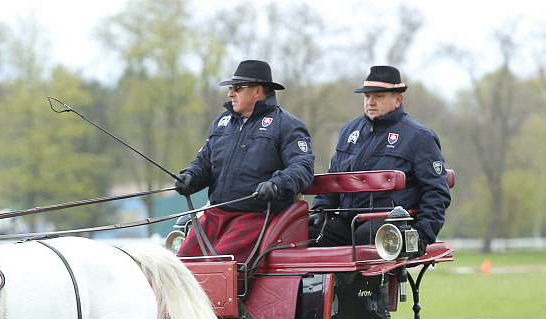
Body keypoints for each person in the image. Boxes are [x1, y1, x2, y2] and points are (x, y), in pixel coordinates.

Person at [174, 59, 314, 265]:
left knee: (218, 269)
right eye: (231, 88)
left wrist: (276, 184)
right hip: (215, 215)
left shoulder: (287, 125)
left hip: (255, 217)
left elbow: (302, 167)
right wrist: (190, 177)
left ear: (257, 91)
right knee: (179, 267)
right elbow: (204, 163)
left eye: (237, 88)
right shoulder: (221, 124)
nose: (230, 93)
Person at [311, 65, 451, 253]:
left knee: (367, 236)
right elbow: (333, 181)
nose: (371, 102)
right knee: (302, 232)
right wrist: (320, 212)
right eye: (367, 96)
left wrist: (421, 237)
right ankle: (306, 283)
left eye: (379, 96)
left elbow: (436, 193)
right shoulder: (349, 131)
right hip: (348, 221)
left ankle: (354, 283)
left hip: (390, 224)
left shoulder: (419, 137)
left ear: (398, 100)